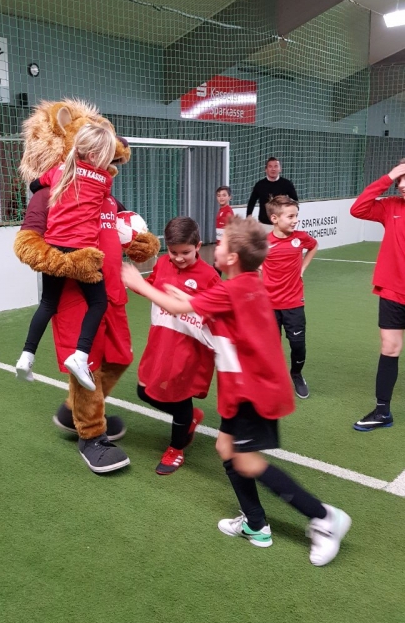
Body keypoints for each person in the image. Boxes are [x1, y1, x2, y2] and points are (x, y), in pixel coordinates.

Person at [122, 216, 351, 567]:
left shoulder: (233, 289)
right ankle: (255, 524)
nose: (217, 246)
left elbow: (182, 308)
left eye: (223, 242)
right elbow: (206, 309)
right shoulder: (243, 285)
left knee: (246, 460)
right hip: (243, 386)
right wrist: (185, 296)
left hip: (254, 389)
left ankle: (324, 517)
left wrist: (137, 282)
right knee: (226, 448)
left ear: (231, 257)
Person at [15, 122, 116, 391]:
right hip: (82, 253)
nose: (108, 161)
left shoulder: (59, 170)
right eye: (106, 155)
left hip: (53, 249)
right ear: (93, 155)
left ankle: (26, 357)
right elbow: (106, 198)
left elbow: (35, 185)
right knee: (98, 303)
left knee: (48, 303)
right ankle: (80, 356)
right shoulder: (104, 179)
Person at [134, 216, 220, 474]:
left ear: (198, 246)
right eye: (173, 252)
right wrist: (134, 283)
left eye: (186, 252)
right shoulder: (162, 263)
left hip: (188, 350)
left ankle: (176, 448)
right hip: (160, 342)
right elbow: (152, 286)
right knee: (143, 390)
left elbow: (219, 313)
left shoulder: (209, 276)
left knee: (180, 397)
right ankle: (189, 419)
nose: (179, 258)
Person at [350, 159, 405, 431]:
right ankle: (383, 412)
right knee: (390, 348)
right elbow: (358, 208)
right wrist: (389, 175)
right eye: (400, 179)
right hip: (393, 290)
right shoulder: (390, 206)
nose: (402, 184)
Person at [261, 195, 318, 399]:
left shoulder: (300, 238)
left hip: (294, 303)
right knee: (271, 347)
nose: (295, 220)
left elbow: (313, 246)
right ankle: (273, 378)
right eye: (291, 216)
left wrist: (302, 268)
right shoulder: (264, 242)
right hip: (269, 304)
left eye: (296, 216)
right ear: (274, 218)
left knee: (298, 345)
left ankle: (296, 374)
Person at [246, 157, 298, 227]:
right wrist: (248, 216)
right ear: (266, 169)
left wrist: (291, 217)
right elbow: (251, 202)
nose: (273, 169)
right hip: (263, 224)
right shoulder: (259, 185)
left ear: (280, 169)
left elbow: (295, 201)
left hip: (281, 224)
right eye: (270, 166)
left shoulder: (287, 184)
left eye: (276, 166)